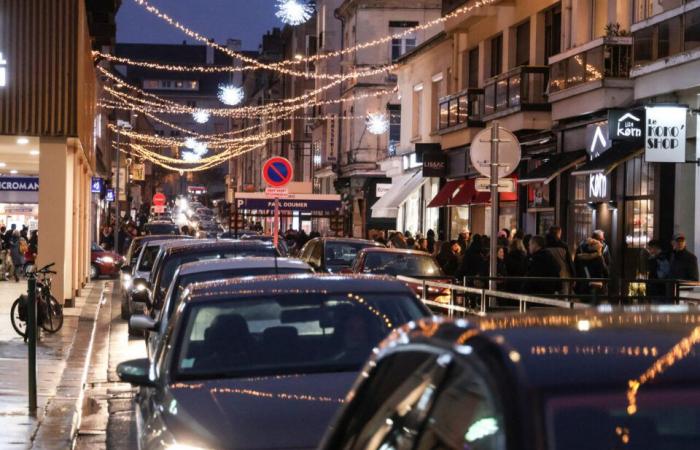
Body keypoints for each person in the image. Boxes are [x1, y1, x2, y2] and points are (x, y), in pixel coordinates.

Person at [545, 226, 576, 295]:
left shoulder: (545, 245)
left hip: (548, 275)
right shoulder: (563, 246)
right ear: (558, 233)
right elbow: (569, 262)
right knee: (564, 295)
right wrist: (573, 275)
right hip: (563, 274)